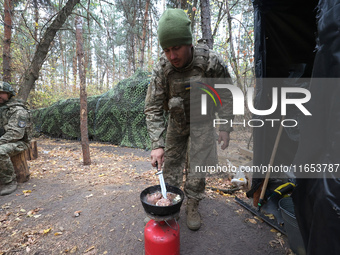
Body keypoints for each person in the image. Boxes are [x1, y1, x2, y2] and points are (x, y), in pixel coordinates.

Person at [144, 8, 234, 230]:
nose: (172, 56)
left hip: (203, 123)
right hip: (176, 123)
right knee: (171, 166)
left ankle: (193, 203)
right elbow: (153, 107)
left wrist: (225, 126)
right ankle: (170, 204)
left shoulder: (210, 62)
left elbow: (227, 94)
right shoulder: (162, 69)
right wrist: (157, 144)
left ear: (189, 44)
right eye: (166, 50)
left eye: (176, 48)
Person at [0, 81, 32, 196]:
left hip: (19, 142)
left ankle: (9, 182)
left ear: (9, 94)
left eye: (2, 93)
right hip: (4, 140)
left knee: (0, 152)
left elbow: (16, 133)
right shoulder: (2, 108)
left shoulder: (18, 110)